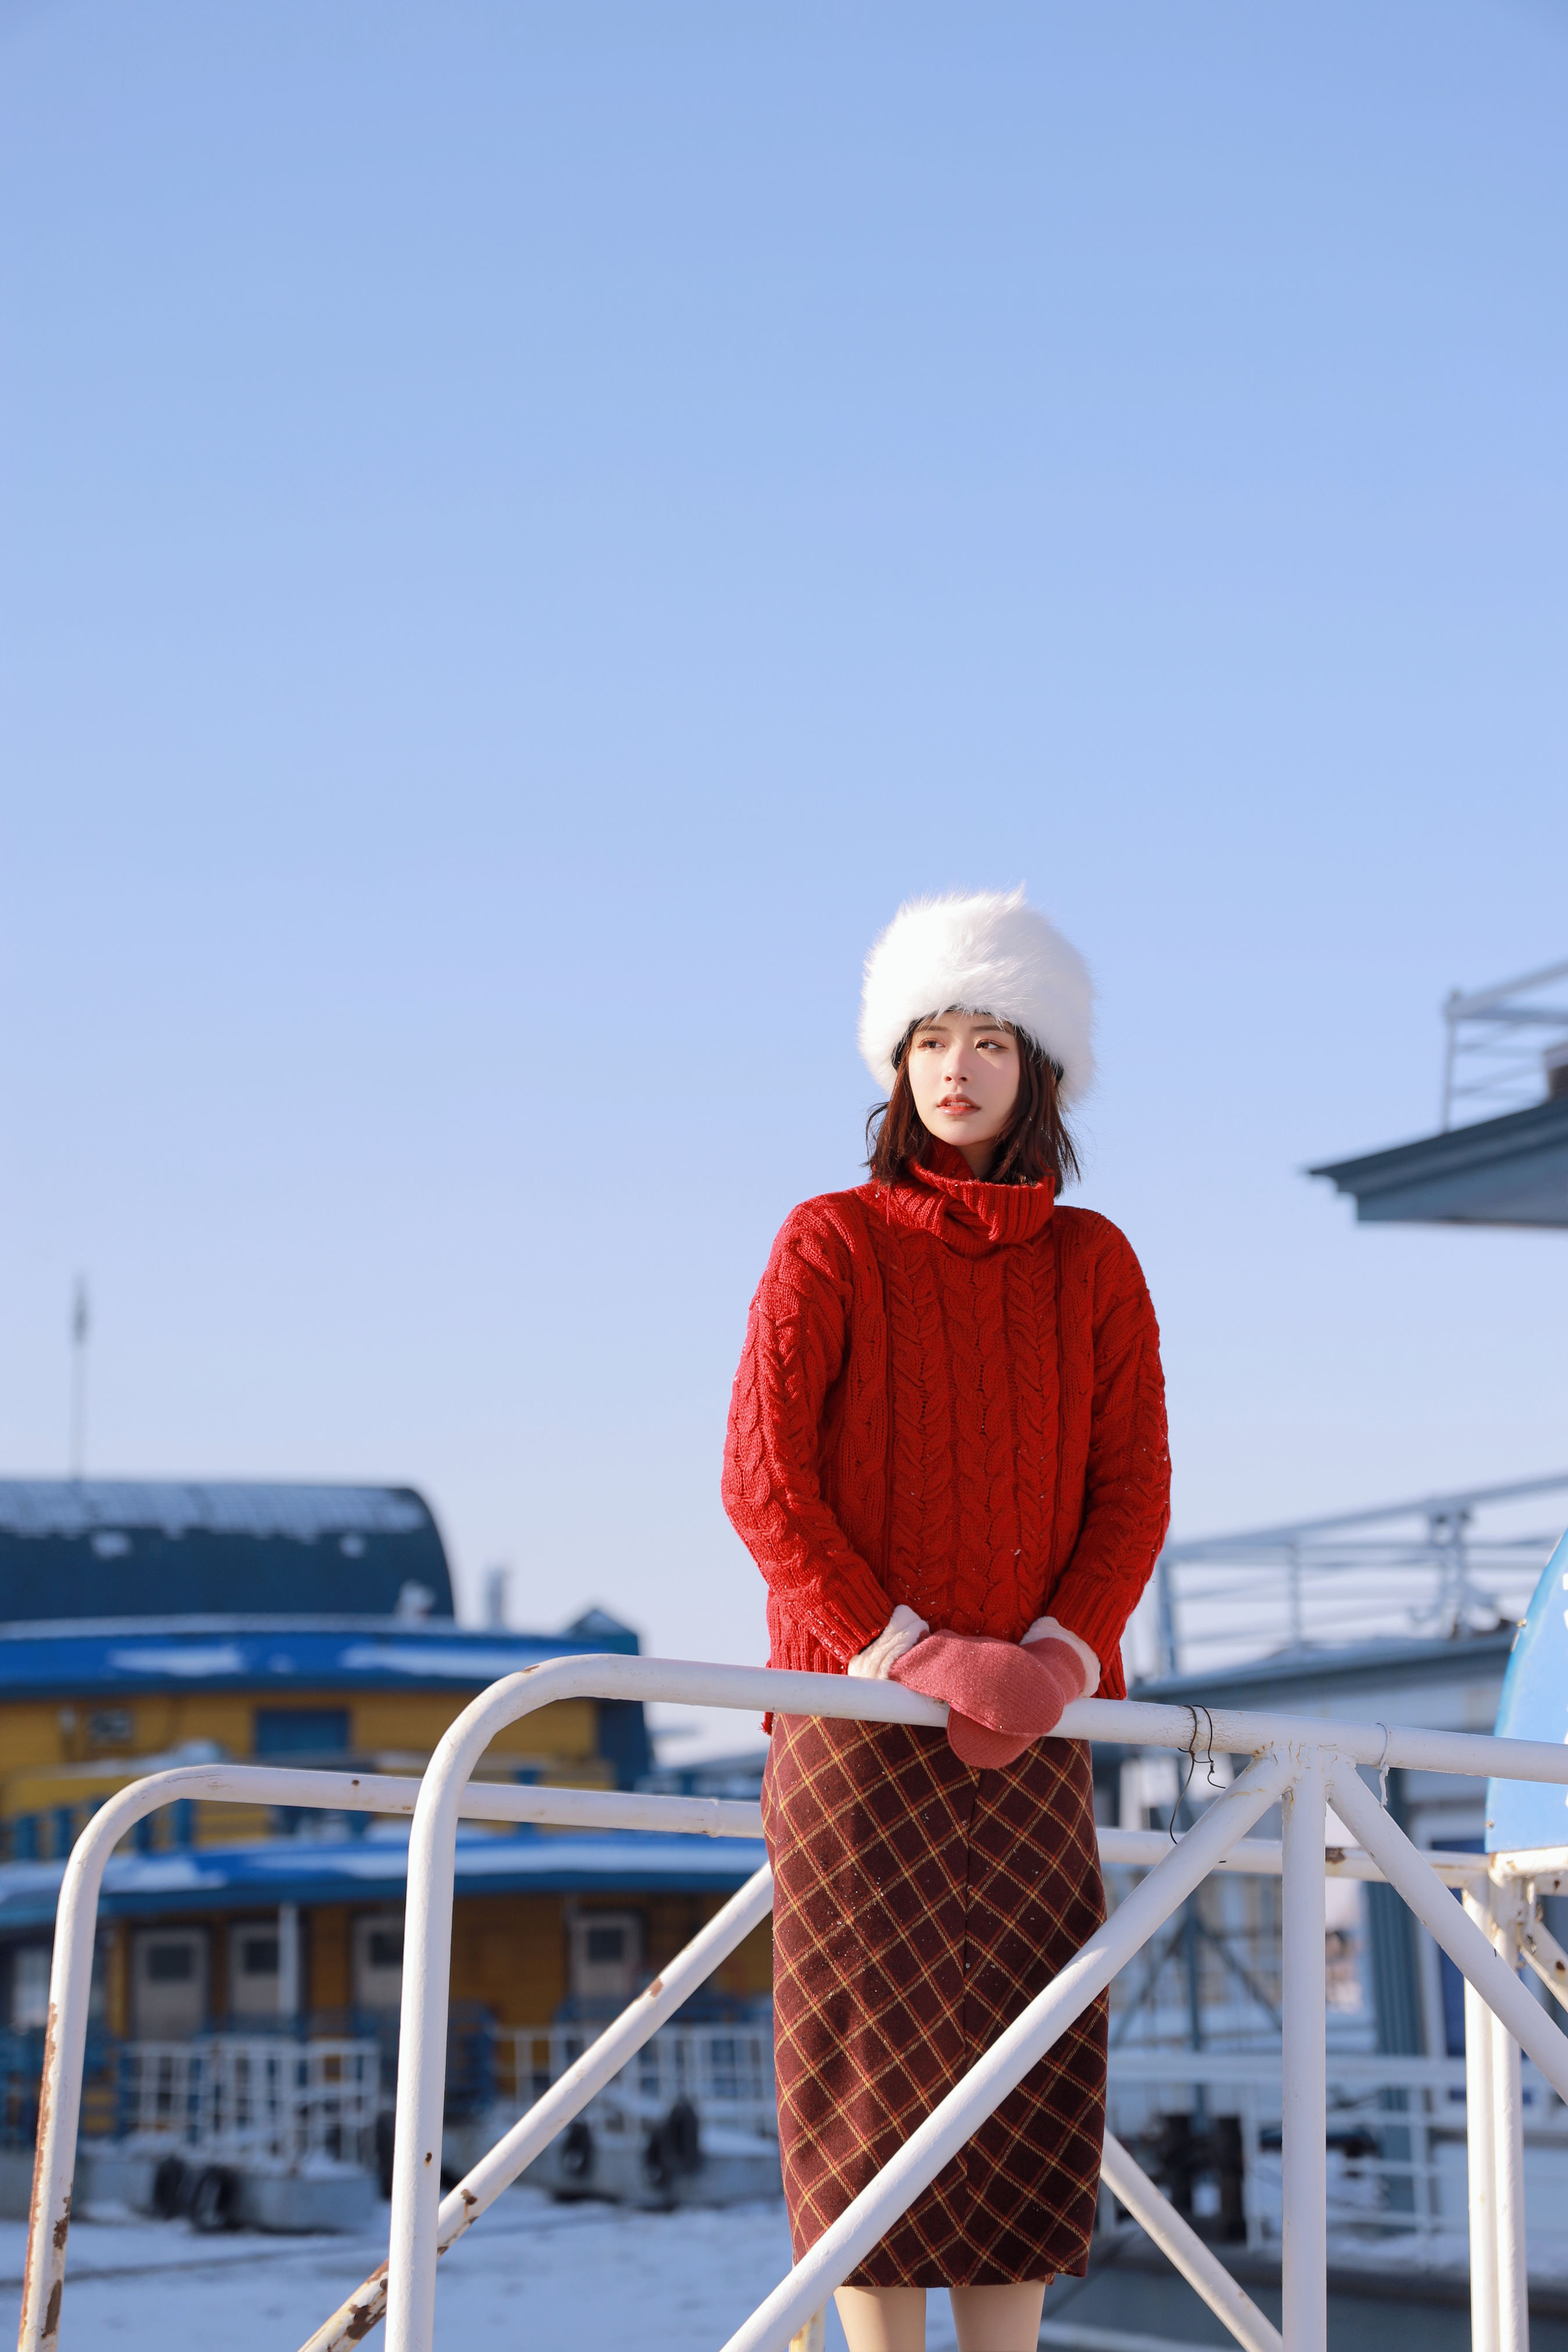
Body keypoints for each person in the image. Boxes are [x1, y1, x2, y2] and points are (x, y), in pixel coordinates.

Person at [723, 888, 1171, 2352]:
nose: (957, 1067)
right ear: (896, 1066)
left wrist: (1059, 1654)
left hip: (1034, 1732)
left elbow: (1132, 1492)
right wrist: (909, 1651)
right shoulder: (829, 1243)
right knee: (867, 2079)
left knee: (1032, 2075)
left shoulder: (1092, 1265)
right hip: (861, 1726)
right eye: (930, 1039)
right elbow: (766, 1485)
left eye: (991, 1038)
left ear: (1039, 1070)